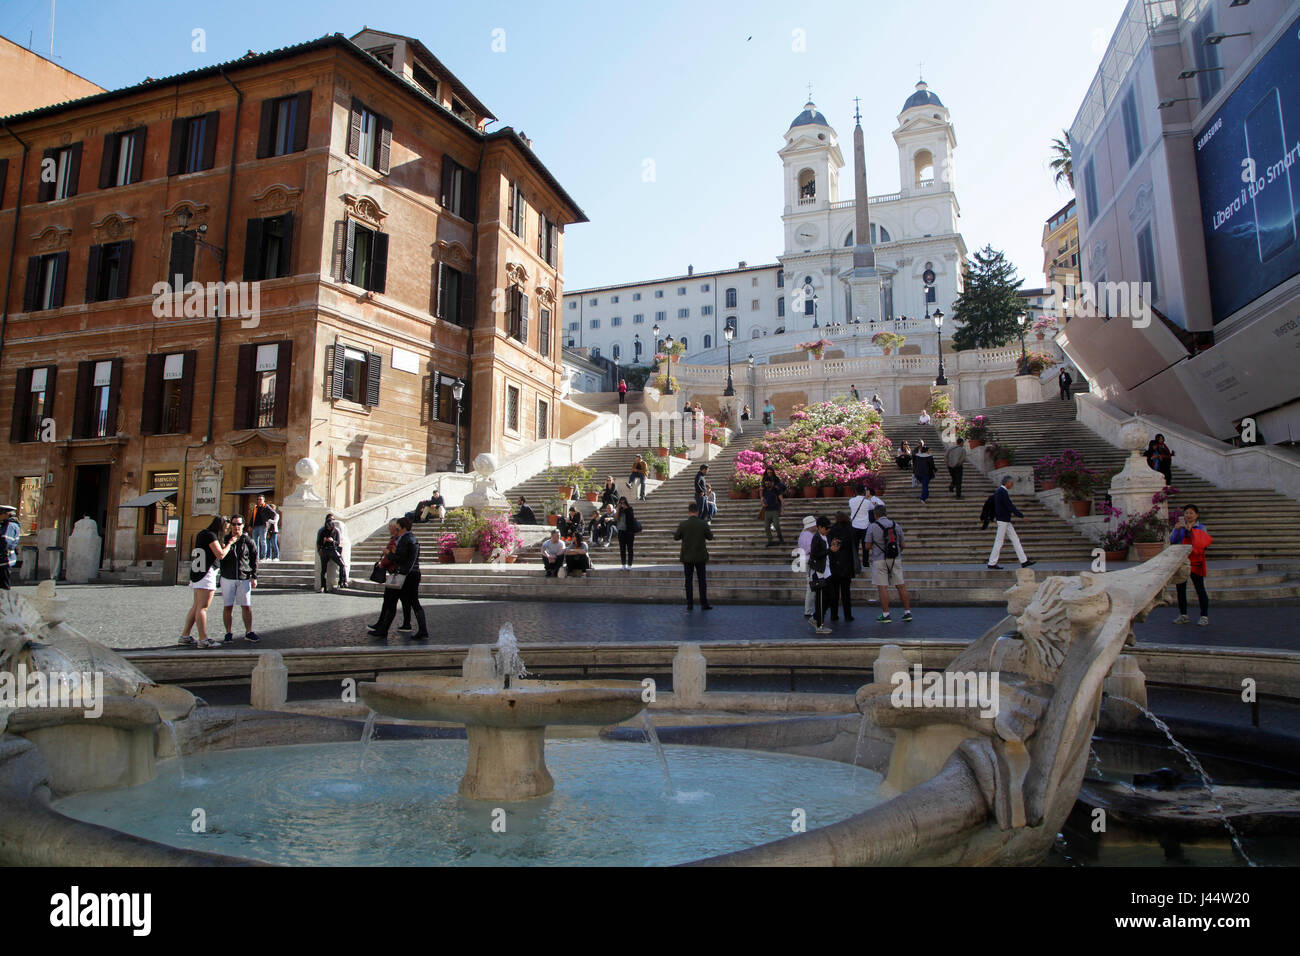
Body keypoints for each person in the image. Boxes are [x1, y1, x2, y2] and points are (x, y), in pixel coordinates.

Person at [370, 515, 428, 640]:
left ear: (403, 528)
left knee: (391, 601)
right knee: (414, 602)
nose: (396, 531)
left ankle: (383, 630)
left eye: (397, 528)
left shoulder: (404, 539)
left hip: (404, 574)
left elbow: (400, 559)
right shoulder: (413, 538)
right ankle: (423, 631)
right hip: (414, 574)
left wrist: (389, 554)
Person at [180, 516, 231, 648]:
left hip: (197, 571)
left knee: (196, 605)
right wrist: (230, 544)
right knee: (203, 607)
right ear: (221, 526)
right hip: (206, 572)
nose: (226, 530)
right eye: (225, 528)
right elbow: (220, 554)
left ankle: (185, 636)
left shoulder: (202, 533)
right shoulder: (211, 536)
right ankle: (203, 639)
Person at [219, 514, 260, 644]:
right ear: (230, 525)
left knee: (246, 606)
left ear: (243, 525)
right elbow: (219, 556)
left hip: (244, 577)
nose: (236, 527)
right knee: (228, 606)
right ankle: (228, 633)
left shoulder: (248, 540)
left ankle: (249, 632)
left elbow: (254, 559)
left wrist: (254, 576)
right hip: (227, 576)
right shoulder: (225, 539)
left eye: (239, 524)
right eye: (234, 524)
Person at [1170, 504, 1212, 626]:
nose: (1188, 515)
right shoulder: (1180, 527)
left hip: (1196, 561)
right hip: (1182, 560)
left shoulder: (1201, 528)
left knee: (1200, 588)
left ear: (1196, 515)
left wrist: (1191, 531)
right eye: (1186, 513)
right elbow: (1172, 540)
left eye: (1191, 513)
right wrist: (1177, 529)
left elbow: (1203, 544)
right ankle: (1183, 615)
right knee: (1181, 589)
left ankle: (1204, 616)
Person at [868, 505, 911, 623]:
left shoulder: (872, 526)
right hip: (895, 558)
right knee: (901, 585)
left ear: (875, 515)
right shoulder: (896, 525)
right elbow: (903, 545)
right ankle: (907, 612)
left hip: (879, 559)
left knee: (882, 587)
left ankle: (886, 614)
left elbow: (867, 545)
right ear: (885, 513)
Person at [369, 520, 412, 631]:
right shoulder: (399, 539)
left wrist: (383, 562)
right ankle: (405, 624)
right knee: (404, 600)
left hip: (396, 573)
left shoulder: (398, 540)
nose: (389, 529)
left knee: (389, 600)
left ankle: (382, 626)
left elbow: (394, 556)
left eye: (391, 527)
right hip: (398, 573)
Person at [987, 476, 1036, 570]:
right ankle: (992, 562)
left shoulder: (1000, 491)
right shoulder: (1002, 492)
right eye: (1011, 483)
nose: (1012, 485)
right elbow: (1010, 506)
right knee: (999, 541)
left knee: (1015, 539)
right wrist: (1021, 516)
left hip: (1004, 520)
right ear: (1007, 483)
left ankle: (1024, 561)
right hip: (1003, 520)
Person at [673, 502, 713, 610]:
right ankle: (704, 603)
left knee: (688, 581)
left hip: (687, 556)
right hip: (700, 556)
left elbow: (676, 537)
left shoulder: (683, 524)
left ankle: (689, 604)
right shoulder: (703, 524)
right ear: (698, 511)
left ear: (688, 511)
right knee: (702, 581)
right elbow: (710, 537)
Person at [807, 515, 836, 634]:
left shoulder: (825, 537)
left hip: (827, 572)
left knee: (829, 598)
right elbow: (816, 554)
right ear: (819, 527)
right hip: (819, 573)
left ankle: (816, 618)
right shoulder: (817, 538)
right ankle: (819, 624)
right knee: (821, 599)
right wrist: (830, 550)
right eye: (826, 528)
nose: (828, 530)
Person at [826, 511, 856, 623]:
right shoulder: (850, 529)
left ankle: (834, 615)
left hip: (834, 563)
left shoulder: (832, 530)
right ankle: (848, 615)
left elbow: (830, 544)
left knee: (834, 592)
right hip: (847, 563)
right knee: (846, 592)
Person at [847, 483, 884, 572]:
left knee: (855, 546)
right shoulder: (867, 502)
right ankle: (865, 562)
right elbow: (876, 506)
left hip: (854, 525)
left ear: (855, 491)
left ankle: (854, 562)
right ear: (864, 491)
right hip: (864, 525)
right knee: (865, 546)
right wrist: (868, 498)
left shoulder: (851, 501)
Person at [316, 513, 348, 591]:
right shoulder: (322, 531)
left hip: (333, 551)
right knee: (323, 569)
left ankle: (342, 581)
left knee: (342, 565)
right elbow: (318, 542)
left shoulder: (336, 531)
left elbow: (338, 542)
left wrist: (332, 540)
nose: (329, 526)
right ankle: (323, 586)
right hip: (325, 551)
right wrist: (323, 543)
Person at [796, 515, 818, 619]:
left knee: (810, 585)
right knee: (811, 586)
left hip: (804, 559)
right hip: (809, 560)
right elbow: (811, 549)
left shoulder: (802, 534)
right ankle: (808, 610)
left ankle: (808, 609)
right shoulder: (809, 536)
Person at [761, 467, 787, 546]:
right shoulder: (765, 490)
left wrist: (782, 510)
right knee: (766, 527)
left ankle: (780, 537)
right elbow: (762, 498)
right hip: (767, 510)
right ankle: (770, 540)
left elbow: (782, 500)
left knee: (776, 525)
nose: (767, 485)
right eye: (766, 483)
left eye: (768, 483)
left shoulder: (776, 489)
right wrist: (763, 503)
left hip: (775, 509)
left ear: (772, 483)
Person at [615, 496, 640, 570]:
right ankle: (623, 564)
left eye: (624, 502)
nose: (622, 504)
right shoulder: (619, 510)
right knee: (622, 549)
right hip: (621, 531)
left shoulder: (630, 509)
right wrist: (618, 509)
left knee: (630, 549)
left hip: (629, 532)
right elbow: (615, 518)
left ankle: (629, 564)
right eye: (621, 502)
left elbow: (631, 518)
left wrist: (626, 508)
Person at [249, 495, 275, 559]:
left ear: (263, 500)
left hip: (262, 526)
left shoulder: (266, 507)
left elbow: (273, 514)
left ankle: (263, 556)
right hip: (255, 526)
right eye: (258, 499)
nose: (259, 500)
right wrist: (250, 525)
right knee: (255, 542)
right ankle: (255, 556)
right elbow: (252, 517)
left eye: (261, 499)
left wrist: (268, 520)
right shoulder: (256, 507)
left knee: (262, 541)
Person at [0, 504, 18, 590]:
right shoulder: (5, 525)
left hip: (5, 559)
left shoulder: (10, 526)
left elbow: (6, 543)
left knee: (4, 586)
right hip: (4, 559)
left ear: (6, 514)